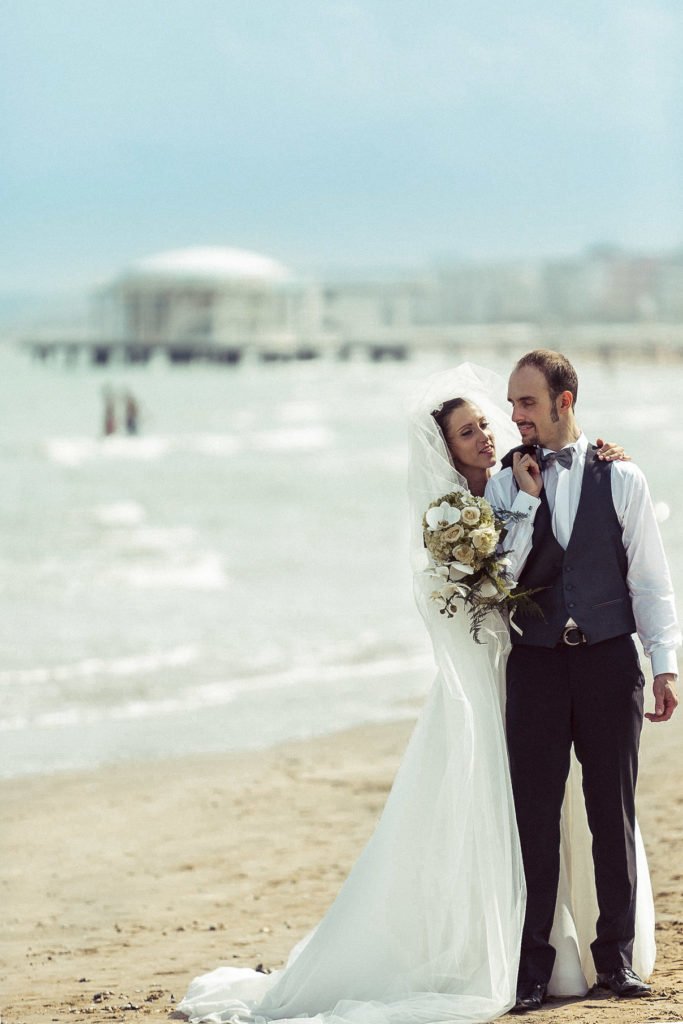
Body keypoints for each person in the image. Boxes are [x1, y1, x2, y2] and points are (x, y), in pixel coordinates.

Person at [175, 364, 653, 1024]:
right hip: (506, 678)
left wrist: (661, 657)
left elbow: (616, 559)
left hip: (569, 668)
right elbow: (479, 592)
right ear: (446, 449)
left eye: (488, 420)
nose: (486, 434)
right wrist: (516, 519)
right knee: (518, 824)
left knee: (590, 811)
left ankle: (603, 952)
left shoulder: (560, 469)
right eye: (469, 431)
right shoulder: (457, 514)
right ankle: (518, 960)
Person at [485, 349, 680, 1013]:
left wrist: (663, 665)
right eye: (511, 404)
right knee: (533, 820)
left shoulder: (621, 476)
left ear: (564, 401)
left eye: (527, 403)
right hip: (534, 664)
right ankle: (532, 970)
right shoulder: (503, 484)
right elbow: (499, 582)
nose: (515, 417)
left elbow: (650, 580)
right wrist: (525, 503)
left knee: (610, 813)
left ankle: (615, 961)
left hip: (606, 663)